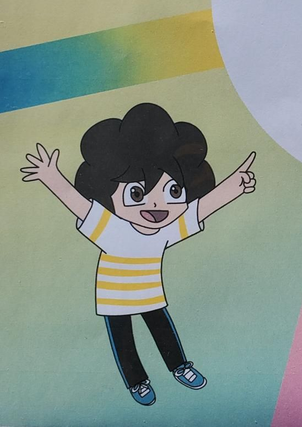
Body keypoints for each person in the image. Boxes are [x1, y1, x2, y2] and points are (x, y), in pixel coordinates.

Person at [20, 103, 257, 406]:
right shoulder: (110, 227)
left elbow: (200, 209)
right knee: (124, 342)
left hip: (150, 293)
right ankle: (137, 383)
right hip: (114, 296)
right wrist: (51, 176)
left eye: (173, 192)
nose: (156, 205)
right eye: (137, 193)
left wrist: (235, 185)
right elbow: (79, 206)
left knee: (163, 330)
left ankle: (179, 367)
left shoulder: (165, 230)